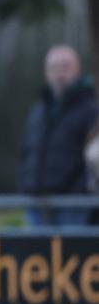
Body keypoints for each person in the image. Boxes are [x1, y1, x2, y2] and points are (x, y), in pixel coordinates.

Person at [20, 45, 98, 227]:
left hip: (73, 208)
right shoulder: (37, 112)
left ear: (78, 70)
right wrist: (26, 187)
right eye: (54, 68)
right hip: (36, 206)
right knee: (36, 254)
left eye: (65, 67)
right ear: (46, 73)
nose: (59, 74)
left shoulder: (91, 112)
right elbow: (26, 153)